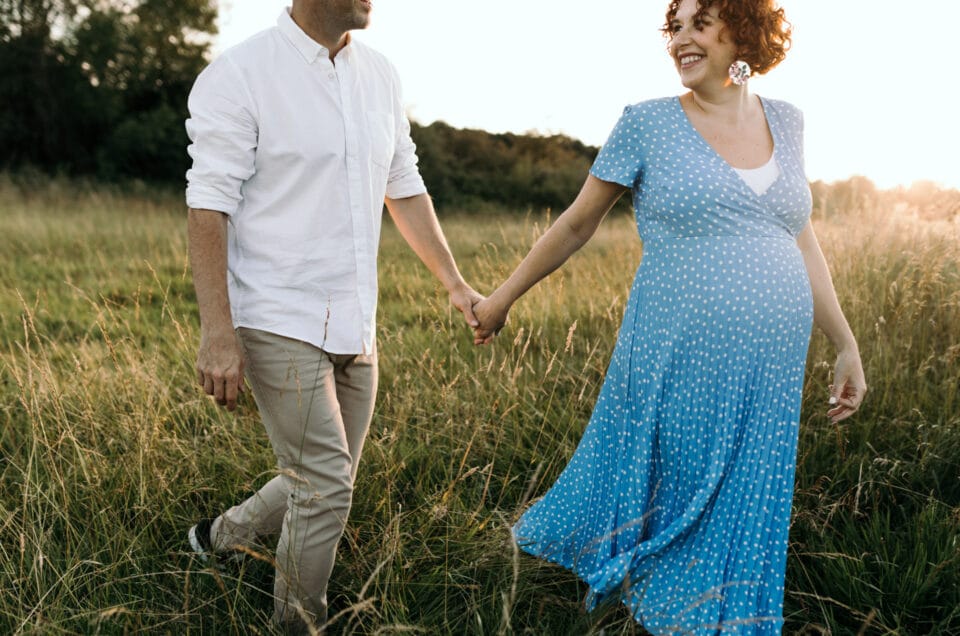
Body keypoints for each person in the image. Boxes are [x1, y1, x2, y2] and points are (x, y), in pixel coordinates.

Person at [472, 0, 866, 632]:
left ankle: (717, 589)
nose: (681, 37)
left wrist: (844, 341)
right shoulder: (647, 123)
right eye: (674, 26)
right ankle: (644, 565)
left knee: (745, 479)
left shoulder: (788, 121)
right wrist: (500, 299)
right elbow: (577, 223)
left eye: (699, 22)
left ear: (743, 30)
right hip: (675, 338)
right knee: (670, 461)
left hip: (772, 357)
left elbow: (800, 235)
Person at [183, 1, 483, 631]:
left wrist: (455, 284)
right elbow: (208, 205)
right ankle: (298, 625)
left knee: (321, 474)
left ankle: (219, 537)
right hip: (274, 313)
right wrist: (218, 332)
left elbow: (403, 184)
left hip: (356, 318)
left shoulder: (380, 74)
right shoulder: (240, 74)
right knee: (326, 487)